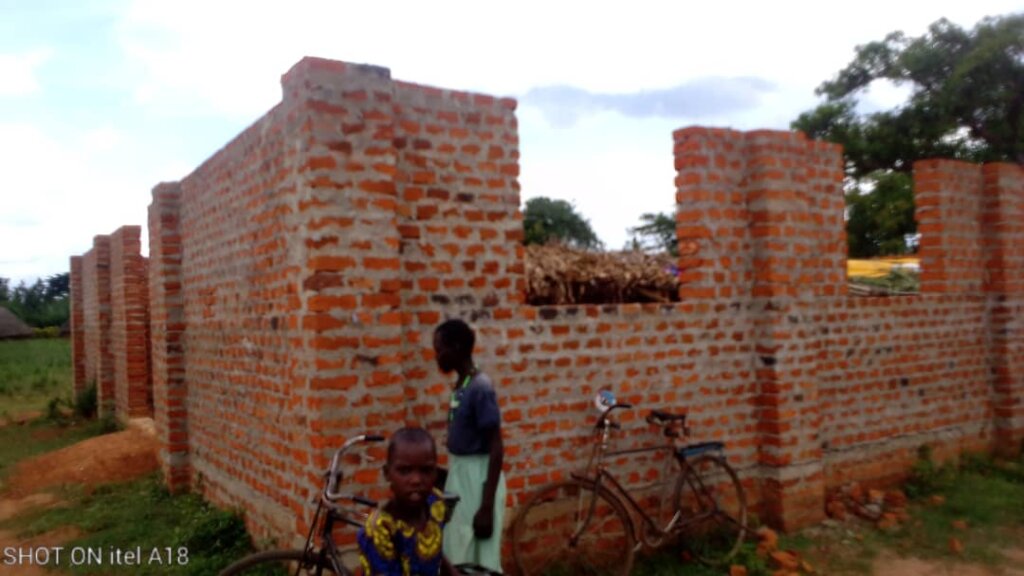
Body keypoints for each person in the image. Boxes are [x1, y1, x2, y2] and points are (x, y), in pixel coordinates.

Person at [433, 319, 506, 573]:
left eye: (440, 349)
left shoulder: (480, 388)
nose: (437, 356)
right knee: (457, 552)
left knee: (479, 559)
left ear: (457, 347)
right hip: (462, 477)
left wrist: (486, 508)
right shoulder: (462, 386)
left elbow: (496, 448)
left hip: (479, 481)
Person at [358, 427, 457, 576]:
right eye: (404, 471)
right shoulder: (380, 529)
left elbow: (437, 554)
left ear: (436, 473)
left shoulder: (436, 504)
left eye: (426, 470)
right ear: (387, 473)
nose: (416, 480)